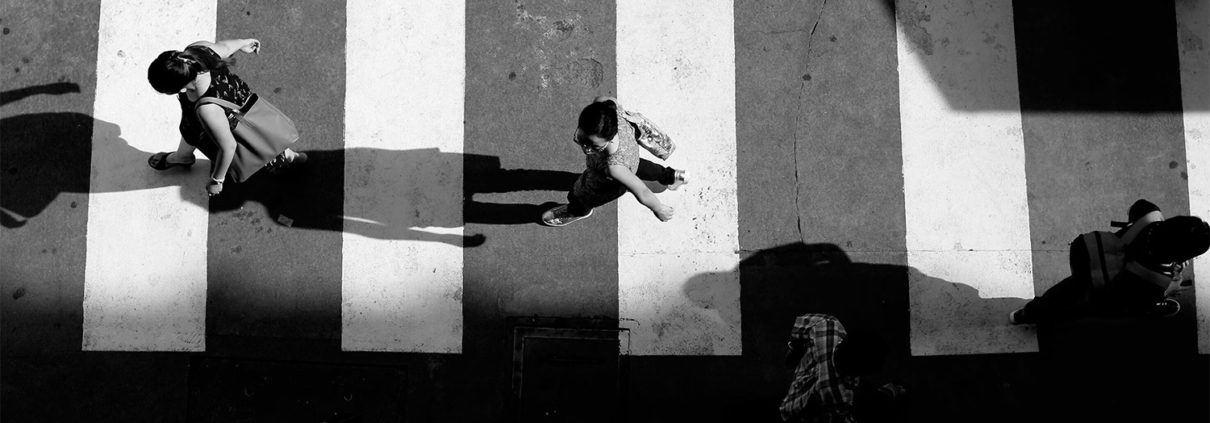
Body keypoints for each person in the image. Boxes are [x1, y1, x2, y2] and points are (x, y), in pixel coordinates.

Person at [146, 39, 305, 197]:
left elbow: (228, 146)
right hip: (242, 104)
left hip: (227, 122)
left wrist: (217, 180)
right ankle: (291, 156)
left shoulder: (207, 110)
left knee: (253, 139)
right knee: (262, 134)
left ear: (179, 88)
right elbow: (226, 47)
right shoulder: (199, 50)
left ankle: (284, 158)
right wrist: (244, 43)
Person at [1009, 199, 1210, 325]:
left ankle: (1024, 314)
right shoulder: (1157, 279)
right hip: (1100, 284)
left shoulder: (1151, 216)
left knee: (1061, 293)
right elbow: (1132, 302)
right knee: (1076, 306)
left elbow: (1137, 207)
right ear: (1182, 255)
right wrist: (1169, 289)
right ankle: (1158, 305)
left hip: (1091, 255)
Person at [540, 96, 687, 227]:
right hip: (631, 157)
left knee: (579, 195)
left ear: (610, 139)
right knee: (644, 167)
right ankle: (672, 176)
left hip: (608, 183)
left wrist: (659, 209)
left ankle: (577, 211)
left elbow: (641, 190)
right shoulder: (609, 110)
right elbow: (605, 99)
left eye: (594, 146)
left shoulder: (614, 168)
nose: (586, 149)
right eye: (581, 139)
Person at [780, 314, 904, 423]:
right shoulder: (842, 397)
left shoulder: (828, 327)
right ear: (856, 372)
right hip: (799, 412)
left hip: (799, 384)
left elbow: (803, 325)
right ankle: (889, 393)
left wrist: (793, 349)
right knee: (868, 401)